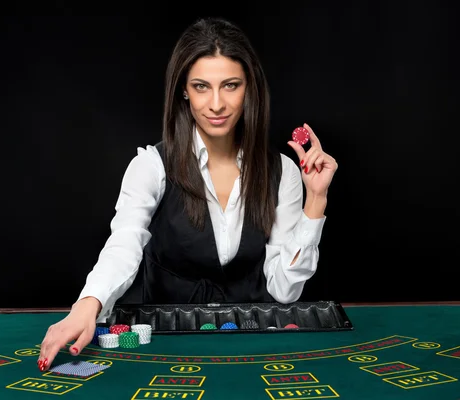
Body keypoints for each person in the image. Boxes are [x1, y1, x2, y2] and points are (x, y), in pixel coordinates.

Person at [37, 16, 337, 372]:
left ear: (250, 88)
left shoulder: (283, 171)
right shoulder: (151, 166)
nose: (216, 104)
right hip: (163, 348)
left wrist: (315, 201)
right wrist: (87, 305)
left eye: (230, 85)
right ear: (183, 90)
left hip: (251, 350)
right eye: (200, 86)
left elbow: (285, 292)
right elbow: (125, 243)